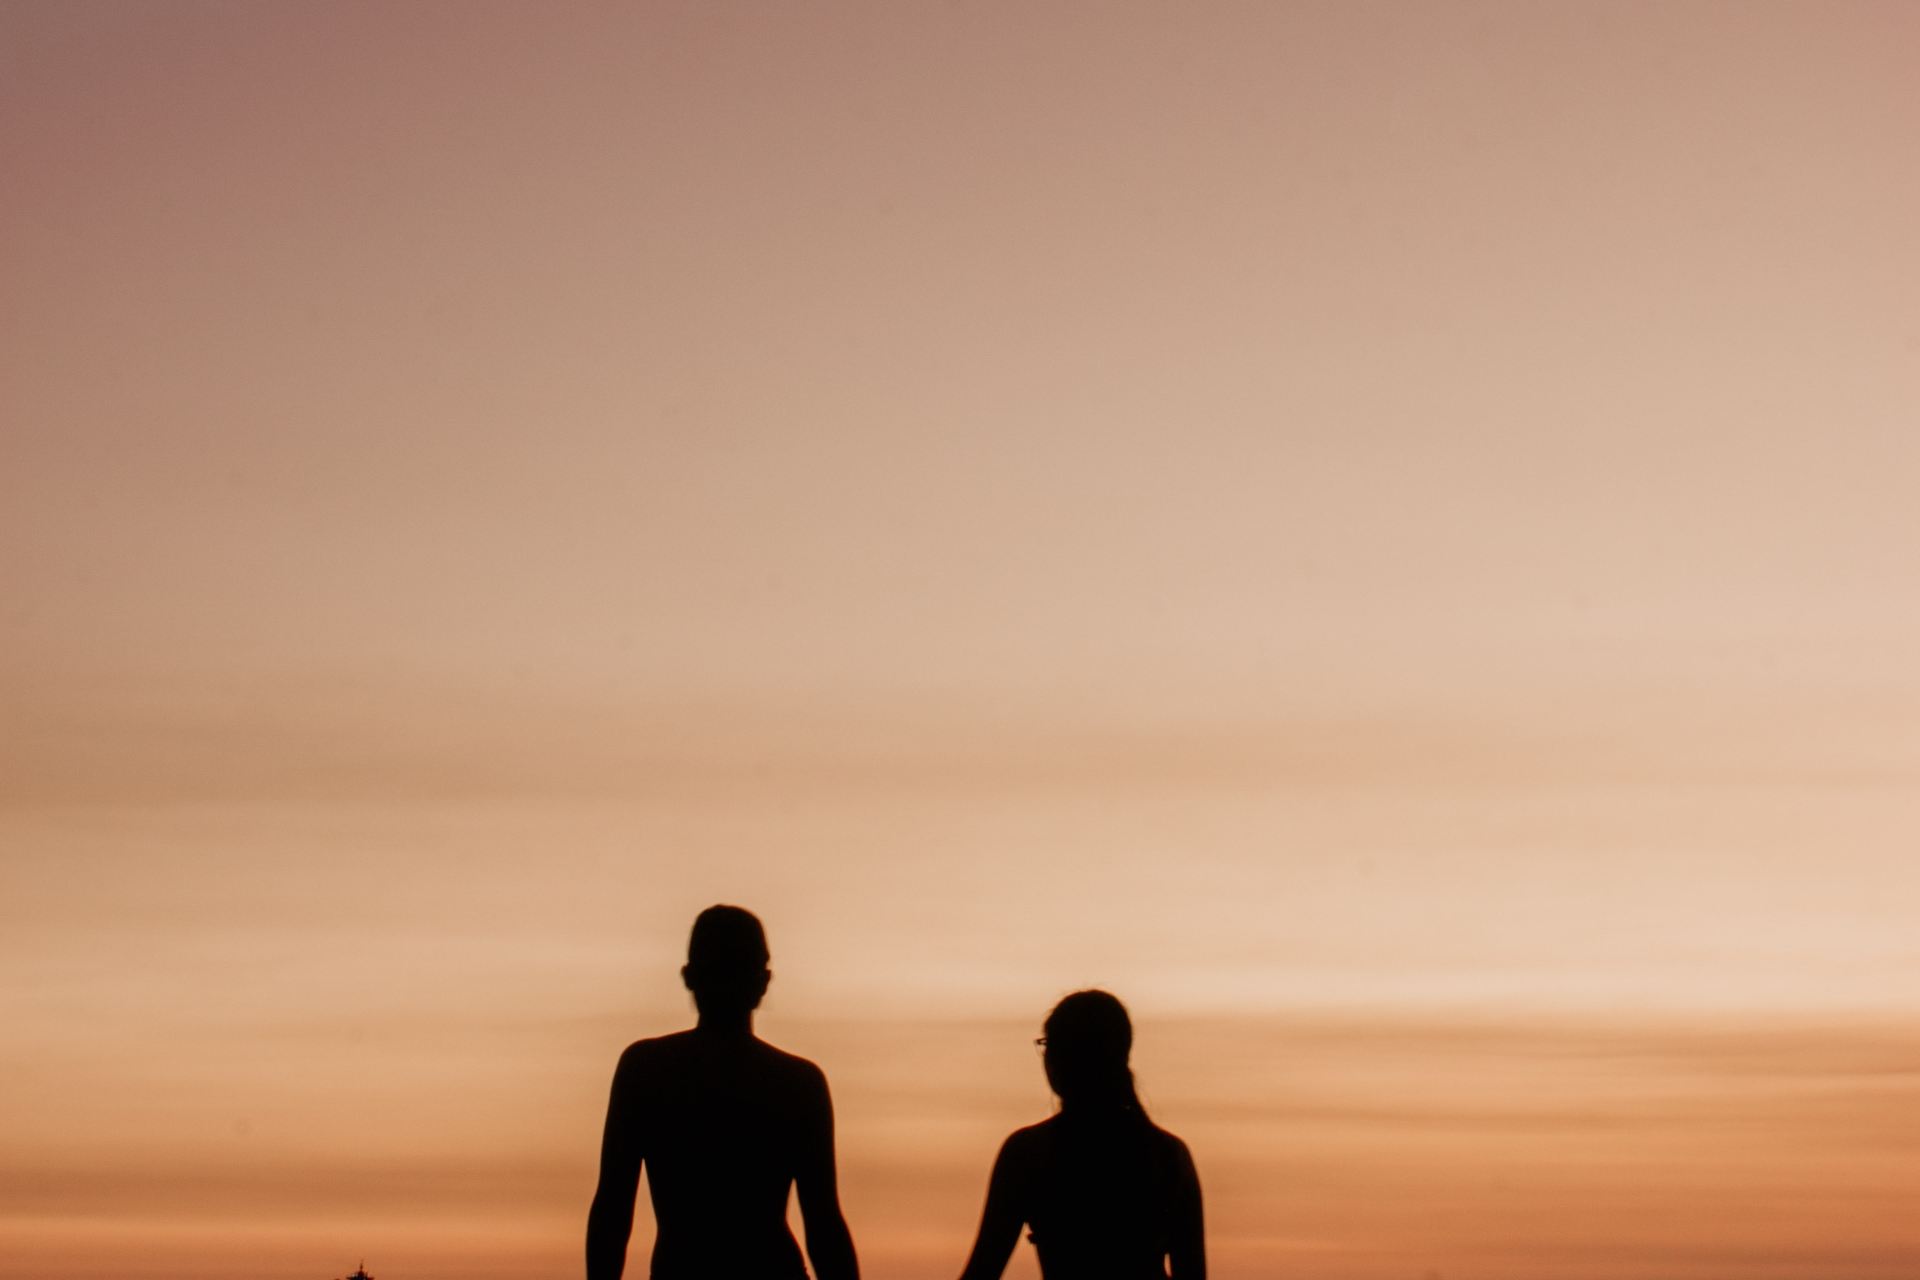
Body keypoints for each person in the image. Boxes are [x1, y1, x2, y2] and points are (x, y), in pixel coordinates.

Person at [587, 906, 859, 1280]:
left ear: (689, 977)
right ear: (763, 983)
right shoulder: (798, 1082)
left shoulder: (646, 1069)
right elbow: (824, 1224)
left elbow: (612, 1212)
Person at [956, 990, 1204, 1280]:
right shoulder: (1169, 1155)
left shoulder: (1028, 1153)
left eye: (1049, 1045)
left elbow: (982, 1270)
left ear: (1062, 1058)